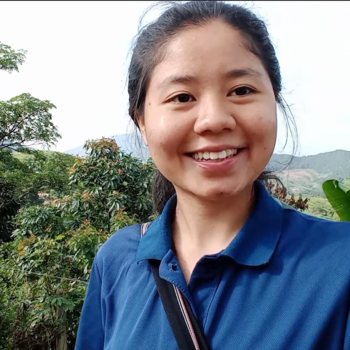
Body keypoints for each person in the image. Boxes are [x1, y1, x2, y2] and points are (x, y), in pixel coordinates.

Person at [75, 1, 350, 349]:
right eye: (182, 97)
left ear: (274, 101)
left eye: (241, 91)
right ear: (142, 122)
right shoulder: (116, 261)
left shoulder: (341, 264)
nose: (214, 120)